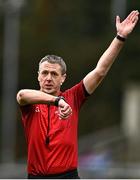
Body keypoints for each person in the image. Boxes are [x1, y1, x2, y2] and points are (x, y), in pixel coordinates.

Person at [16, 10, 139, 179]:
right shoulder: (30, 101)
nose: (48, 78)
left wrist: (120, 38)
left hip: (69, 177)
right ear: (38, 75)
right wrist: (56, 101)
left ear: (63, 78)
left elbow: (100, 71)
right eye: (44, 73)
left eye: (54, 74)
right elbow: (22, 95)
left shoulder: (73, 97)